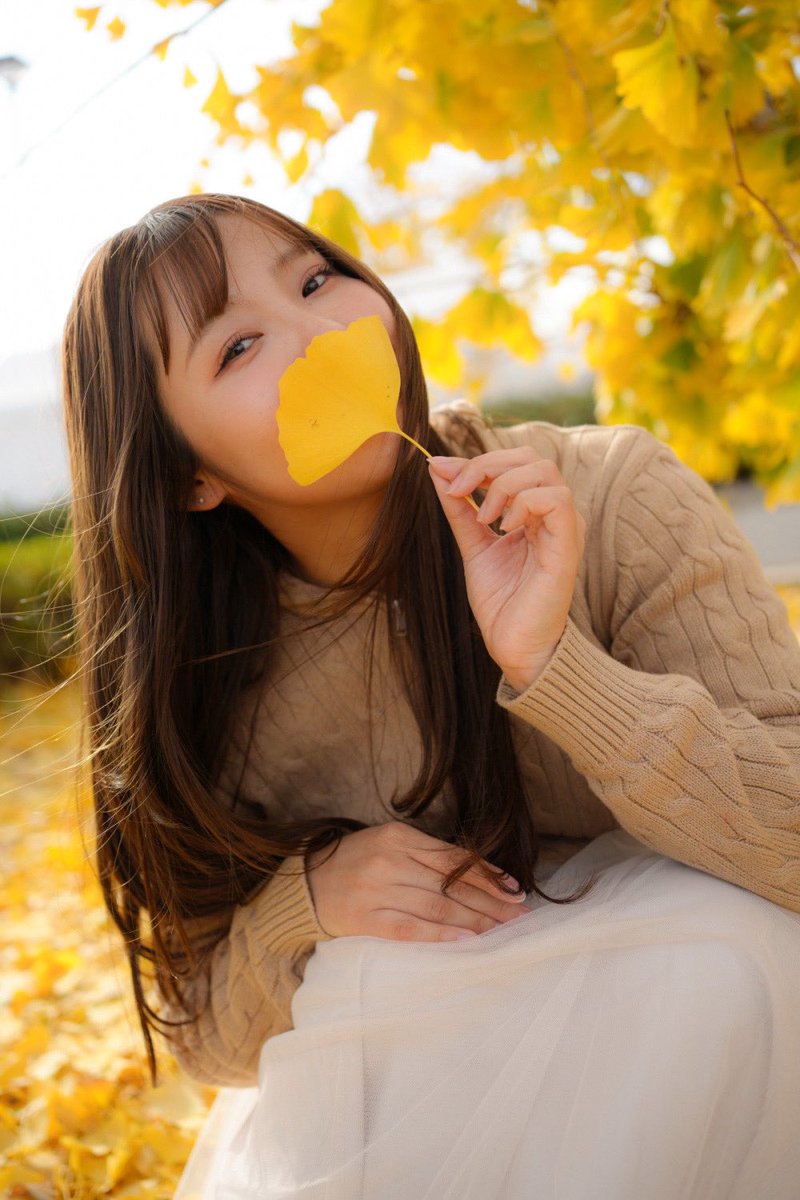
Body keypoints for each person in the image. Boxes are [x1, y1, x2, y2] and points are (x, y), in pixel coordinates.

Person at [60, 192, 800, 1199]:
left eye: (318, 280)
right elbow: (208, 1041)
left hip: (723, 1042)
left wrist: (555, 669)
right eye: (238, 347)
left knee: (716, 953)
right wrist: (306, 904)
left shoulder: (609, 494)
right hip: (433, 1101)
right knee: (366, 973)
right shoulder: (213, 681)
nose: (322, 333)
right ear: (189, 476)